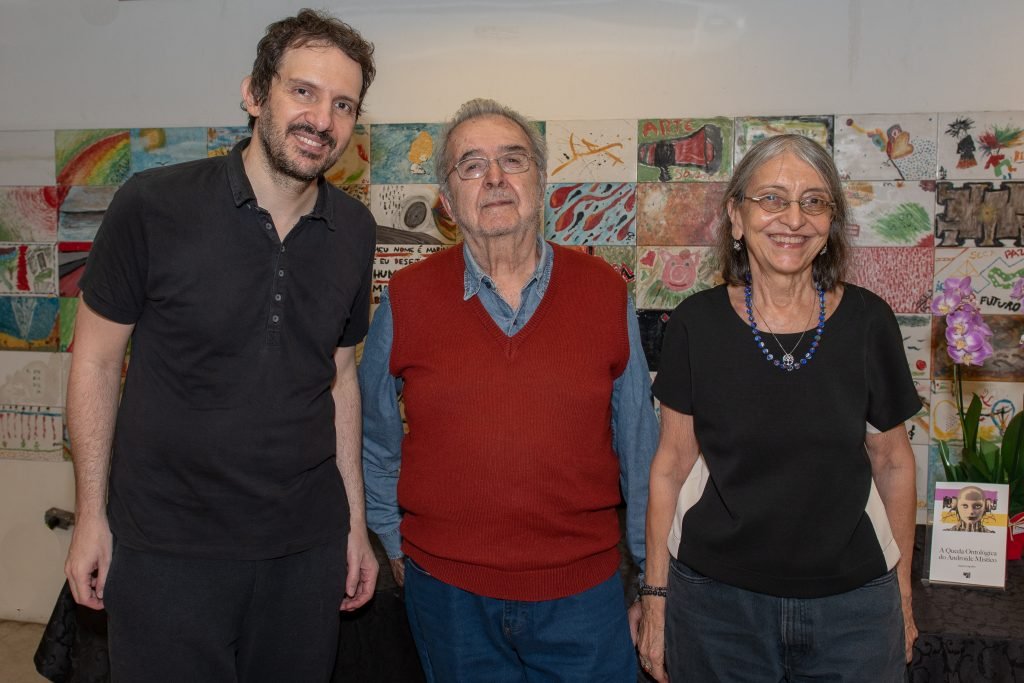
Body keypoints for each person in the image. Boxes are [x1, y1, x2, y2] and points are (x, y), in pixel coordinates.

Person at [62, 10, 379, 681]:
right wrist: (91, 513)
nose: (322, 119)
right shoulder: (152, 204)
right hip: (165, 549)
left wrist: (354, 523)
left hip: (304, 549)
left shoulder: (354, 229)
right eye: (304, 91)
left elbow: (341, 378)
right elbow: (94, 359)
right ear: (254, 93)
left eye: (343, 104)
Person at [360, 98, 659, 682]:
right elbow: (372, 437)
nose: (494, 178)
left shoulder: (603, 292)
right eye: (471, 165)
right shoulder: (406, 298)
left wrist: (653, 581)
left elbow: (640, 449)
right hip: (447, 598)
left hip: (585, 596)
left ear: (541, 182)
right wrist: (396, 543)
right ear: (447, 201)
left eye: (512, 160)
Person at [638, 134, 921, 682]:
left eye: (813, 201)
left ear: (830, 222)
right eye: (772, 198)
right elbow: (670, 466)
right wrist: (655, 597)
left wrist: (903, 594)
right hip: (717, 609)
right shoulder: (696, 325)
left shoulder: (869, 322)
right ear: (736, 218)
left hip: (854, 611)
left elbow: (893, 463)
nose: (793, 218)